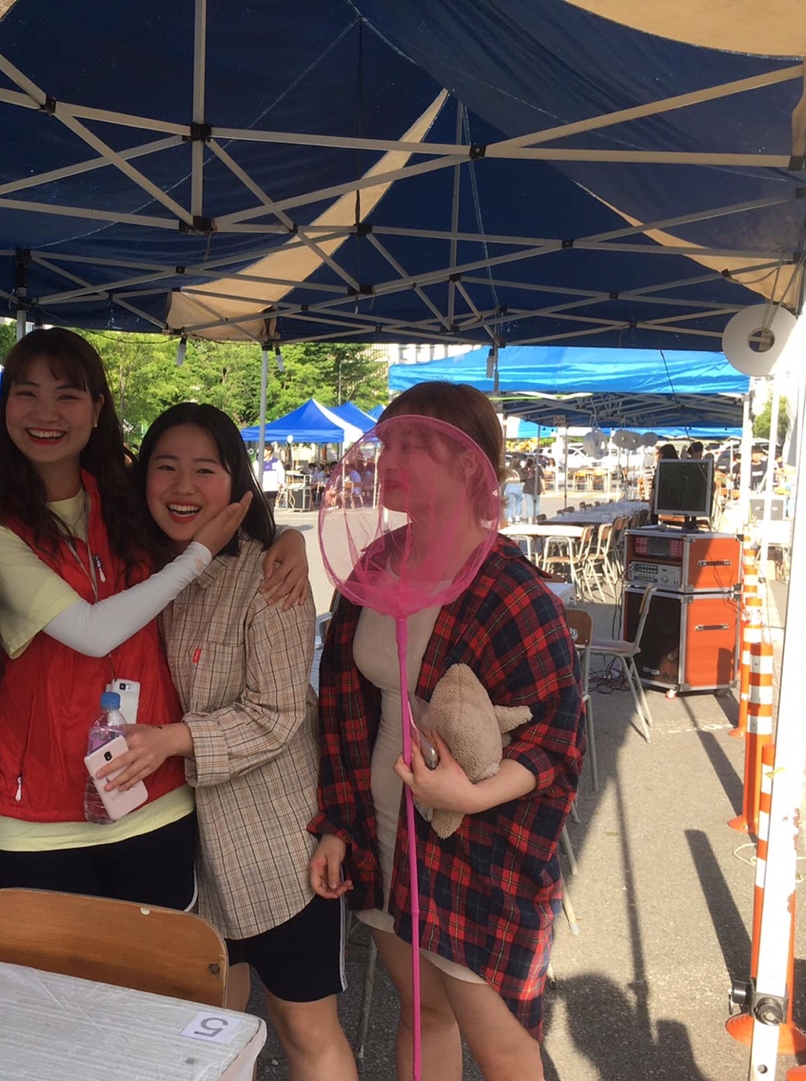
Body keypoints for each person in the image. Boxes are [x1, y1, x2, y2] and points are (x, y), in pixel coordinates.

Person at [0, 328, 306, 909]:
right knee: (33, 972)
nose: (46, 414)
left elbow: (200, 504)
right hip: (38, 815)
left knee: (156, 968)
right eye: (27, 394)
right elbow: (92, 633)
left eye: (68, 395)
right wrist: (198, 557)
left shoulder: (126, 500)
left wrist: (286, 536)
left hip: (155, 802)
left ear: (98, 408)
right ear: (5, 408)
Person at [309, 381, 584, 1081]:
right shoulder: (374, 566)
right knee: (422, 1014)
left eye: (413, 444)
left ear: (468, 462)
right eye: (387, 442)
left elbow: (557, 736)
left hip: (475, 846)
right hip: (381, 831)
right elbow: (342, 707)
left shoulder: (511, 589)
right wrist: (338, 824)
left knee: (504, 1048)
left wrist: (471, 797)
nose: (389, 459)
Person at [111, 403, 357, 1080]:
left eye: (205, 470)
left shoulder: (267, 575)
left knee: (305, 1027)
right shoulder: (140, 571)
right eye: (166, 467)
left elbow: (276, 714)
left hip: (275, 846)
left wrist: (171, 739)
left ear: (237, 484)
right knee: (210, 1024)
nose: (183, 487)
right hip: (180, 847)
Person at [520, 455, 543, 521]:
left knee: (529, 505)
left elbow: (522, 479)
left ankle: (530, 519)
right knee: (537, 504)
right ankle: (536, 518)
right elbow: (542, 478)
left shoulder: (524, 469)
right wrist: (543, 489)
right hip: (537, 489)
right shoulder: (538, 468)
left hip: (527, 489)